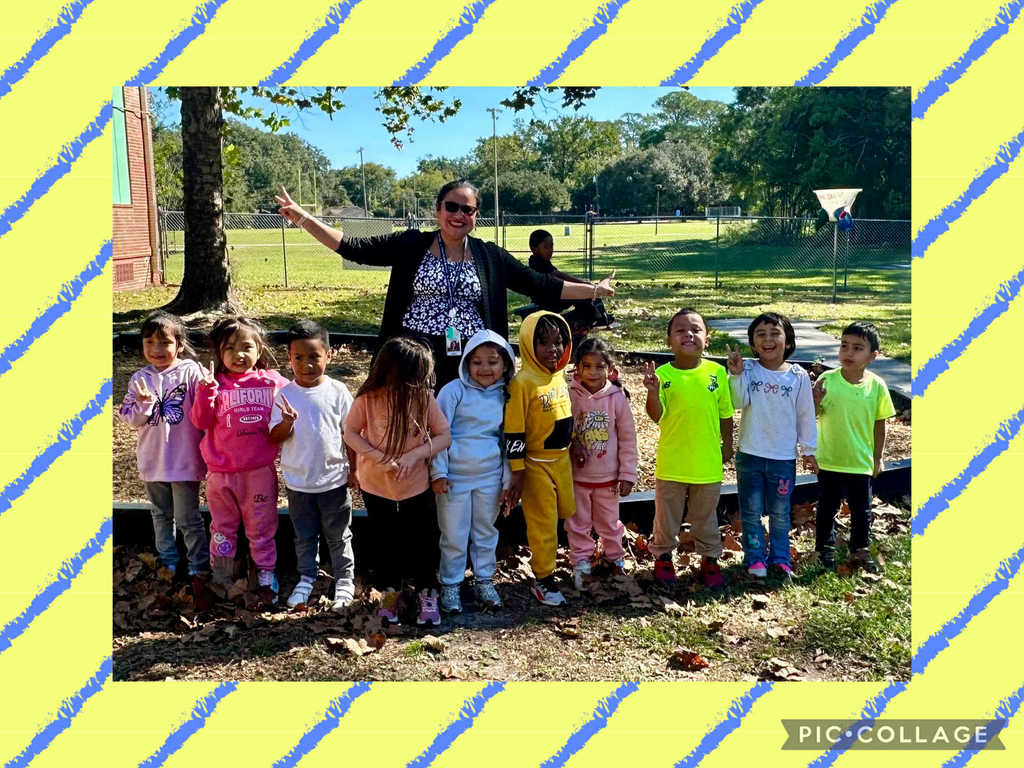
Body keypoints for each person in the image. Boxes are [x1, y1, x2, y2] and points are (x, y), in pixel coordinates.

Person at [275, 181, 615, 388]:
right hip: (414, 356)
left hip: (472, 358)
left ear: (475, 216)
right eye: (452, 206)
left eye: (467, 209)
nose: (459, 214)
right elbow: (351, 246)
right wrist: (302, 217)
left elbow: (542, 286)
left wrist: (595, 290)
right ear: (438, 210)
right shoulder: (411, 245)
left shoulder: (489, 256)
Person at [343, 336, 452, 625]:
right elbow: (350, 432)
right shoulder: (368, 399)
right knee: (384, 539)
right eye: (418, 378)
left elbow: (444, 435)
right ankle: (389, 591)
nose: (423, 384)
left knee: (423, 538)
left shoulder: (423, 399)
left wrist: (415, 455)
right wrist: (378, 456)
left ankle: (427, 590)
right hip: (376, 485)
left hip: (416, 485)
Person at [189, 317, 289, 605]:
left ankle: (266, 576)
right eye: (230, 348)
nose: (239, 354)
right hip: (220, 475)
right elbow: (200, 420)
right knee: (222, 527)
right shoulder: (214, 384)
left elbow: (297, 400)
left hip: (258, 473)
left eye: (247, 347)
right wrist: (206, 392)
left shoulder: (273, 382)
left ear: (259, 350)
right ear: (220, 352)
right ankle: (221, 577)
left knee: (261, 527)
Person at [268, 320, 358, 613]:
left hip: (334, 481)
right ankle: (307, 577)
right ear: (289, 358)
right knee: (304, 536)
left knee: (339, 534)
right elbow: (274, 437)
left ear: (329, 356)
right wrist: (287, 422)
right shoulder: (284, 394)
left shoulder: (339, 392)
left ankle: (344, 579)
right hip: (298, 484)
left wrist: (354, 471)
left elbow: (351, 435)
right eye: (299, 358)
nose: (306, 364)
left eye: (314, 357)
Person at [642, 308, 734, 589]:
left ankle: (709, 559)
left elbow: (726, 414)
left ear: (707, 338)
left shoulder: (717, 373)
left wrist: (728, 446)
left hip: (706, 465)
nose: (689, 335)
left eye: (696, 329)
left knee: (705, 517)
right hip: (672, 463)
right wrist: (652, 392)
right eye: (680, 330)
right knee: (666, 517)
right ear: (669, 340)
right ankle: (663, 556)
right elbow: (657, 415)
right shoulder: (663, 375)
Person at [118, 311, 210, 586]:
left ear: (179, 344)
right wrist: (144, 404)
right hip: (152, 461)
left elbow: (207, 404)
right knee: (160, 515)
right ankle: (168, 561)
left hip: (184, 460)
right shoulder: (139, 378)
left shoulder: (192, 372)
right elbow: (130, 419)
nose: (157, 350)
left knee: (187, 518)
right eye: (149, 343)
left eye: (164, 343)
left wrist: (210, 389)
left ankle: (198, 567)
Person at [725, 313, 817, 583]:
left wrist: (809, 449)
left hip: (783, 460)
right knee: (751, 512)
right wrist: (736, 374)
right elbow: (737, 401)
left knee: (779, 512)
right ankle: (754, 558)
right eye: (760, 334)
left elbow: (805, 414)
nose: (768, 339)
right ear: (753, 343)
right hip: (750, 456)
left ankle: (780, 558)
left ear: (787, 340)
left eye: (774, 332)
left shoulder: (798, 376)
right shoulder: (749, 369)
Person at [431, 330, 516, 614]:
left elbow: (507, 441)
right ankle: (451, 584)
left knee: (485, 531)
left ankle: (483, 580)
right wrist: (438, 473)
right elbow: (439, 434)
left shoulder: (508, 395)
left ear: (505, 364)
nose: (484, 369)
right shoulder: (453, 391)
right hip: (454, 479)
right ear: (466, 362)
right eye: (476, 362)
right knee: (454, 534)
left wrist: (507, 479)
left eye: (492, 362)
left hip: (489, 477)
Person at [504, 311, 575, 606]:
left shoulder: (558, 376)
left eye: (558, 342)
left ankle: (564, 562)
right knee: (542, 522)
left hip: (563, 462)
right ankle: (543, 578)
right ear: (528, 344)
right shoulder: (523, 383)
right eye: (544, 343)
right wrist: (518, 471)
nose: (553, 350)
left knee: (567, 512)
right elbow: (514, 430)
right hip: (536, 466)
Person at [812, 322, 895, 572]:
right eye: (844, 346)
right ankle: (823, 550)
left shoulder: (877, 386)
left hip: (860, 462)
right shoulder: (827, 380)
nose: (848, 353)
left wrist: (877, 458)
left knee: (862, 510)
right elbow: (812, 415)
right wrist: (814, 402)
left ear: (873, 356)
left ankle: (859, 549)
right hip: (829, 460)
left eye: (857, 348)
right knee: (826, 509)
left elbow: (880, 425)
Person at [567, 337, 637, 590]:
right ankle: (581, 560)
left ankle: (614, 557)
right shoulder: (570, 394)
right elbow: (564, 430)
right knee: (578, 522)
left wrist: (627, 473)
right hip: (577, 477)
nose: (592, 372)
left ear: (610, 369)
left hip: (608, 478)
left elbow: (628, 438)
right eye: (586, 366)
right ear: (578, 367)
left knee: (609, 521)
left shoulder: (617, 397)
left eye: (599, 367)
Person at [527, 229, 614, 340]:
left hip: (551, 295)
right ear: (534, 249)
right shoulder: (537, 262)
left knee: (581, 295)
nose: (550, 250)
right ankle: (589, 319)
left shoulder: (540, 261)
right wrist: (583, 284)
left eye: (552, 246)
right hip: (548, 299)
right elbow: (559, 276)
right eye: (546, 247)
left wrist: (583, 284)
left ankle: (588, 319)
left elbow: (559, 276)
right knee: (580, 294)